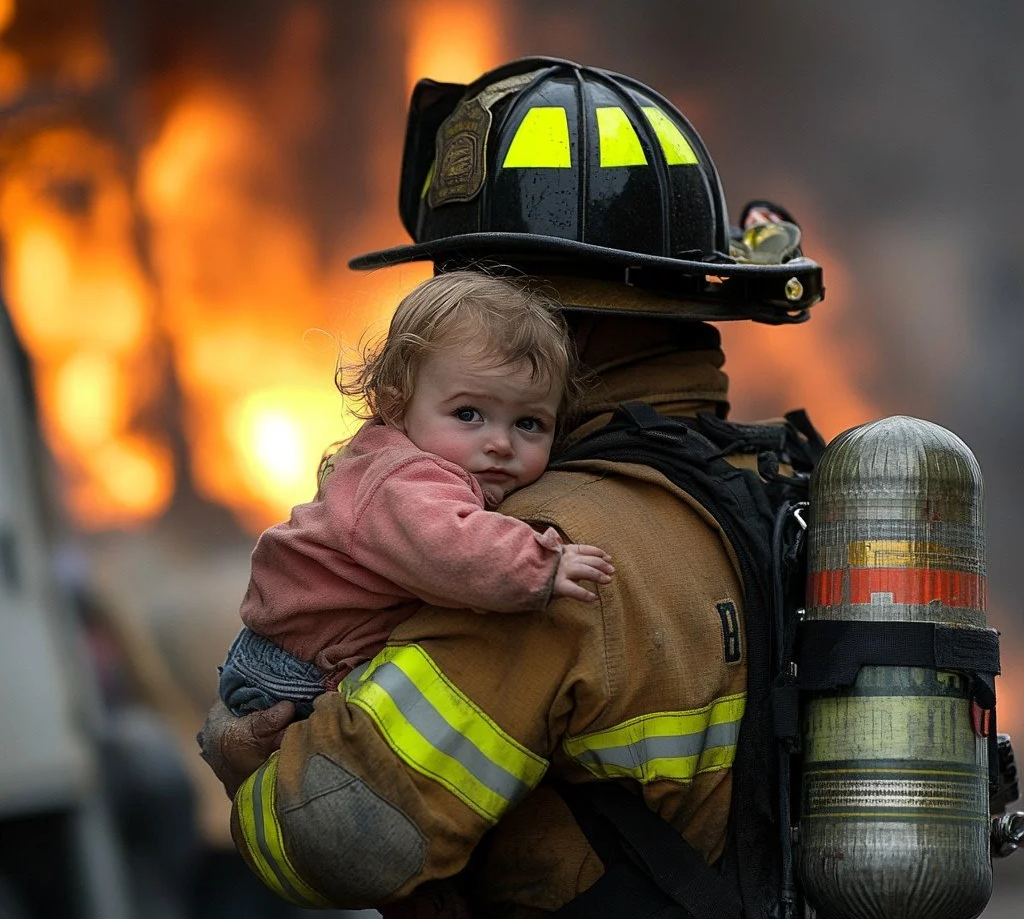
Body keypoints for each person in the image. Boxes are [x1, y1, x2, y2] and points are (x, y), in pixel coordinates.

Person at [197, 57, 825, 917]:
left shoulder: (540, 554)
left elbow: (332, 837)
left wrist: (242, 755)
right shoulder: (776, 493)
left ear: (538, 327)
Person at [218, 270, 614, 719]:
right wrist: (539, 563)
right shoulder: (403, 478)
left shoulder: (419, 459)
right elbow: (449, 546)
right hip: (295, 672)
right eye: (469, 413)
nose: (501, 443)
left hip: (311, 653)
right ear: (396, 407)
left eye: (529, 423)